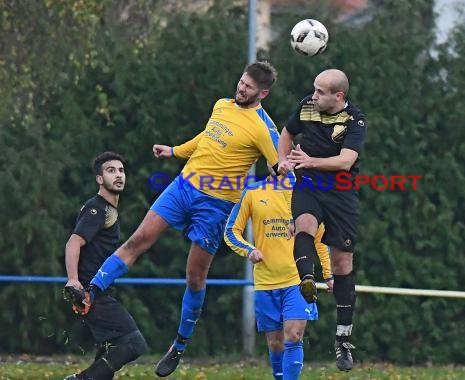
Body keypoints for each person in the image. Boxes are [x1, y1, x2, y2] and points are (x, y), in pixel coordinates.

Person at [63, 61, 280, 378]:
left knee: (194, 276)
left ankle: (179, 344)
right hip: (183, 187)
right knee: (138, 240)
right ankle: (89, 293)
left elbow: (280, 171)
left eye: (248, 87)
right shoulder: (222, 105)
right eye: (241, 81)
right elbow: (207, 137)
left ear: (263, 93)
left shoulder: (263, 129)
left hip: (216, 207)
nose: (241, 88)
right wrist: (174, 151)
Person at [277, 69, 366, 371]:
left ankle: (343, 342)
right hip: (309, 184)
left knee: (342, 265)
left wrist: (309, 160)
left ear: (338, 96)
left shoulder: (355, 121)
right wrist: (282, 161)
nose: (313, 96)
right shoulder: (306, 106)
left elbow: (346, 161)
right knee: (304, 225)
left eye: (320, 92)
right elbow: (287, 133)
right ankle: (307, 279)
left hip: (341, 193)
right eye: (313, 90)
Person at [224, 173, 333, 380]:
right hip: (266, 282)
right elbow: (231, 231)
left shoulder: (306, 192)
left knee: (293, 336)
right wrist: (248, 250)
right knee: (275, 344)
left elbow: (319, 239)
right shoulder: (253, 191)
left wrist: (328, 274)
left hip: (299, 280)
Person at [62, 151, 147, 380]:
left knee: (109, 354)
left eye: (121, 171)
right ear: (99, 179)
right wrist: (74, 281)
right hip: (91, 293)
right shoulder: (98, 208)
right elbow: (73, 242)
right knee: (134, 343)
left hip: (101, 290)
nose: (118, 175)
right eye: (111, 171)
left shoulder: (109, 210)